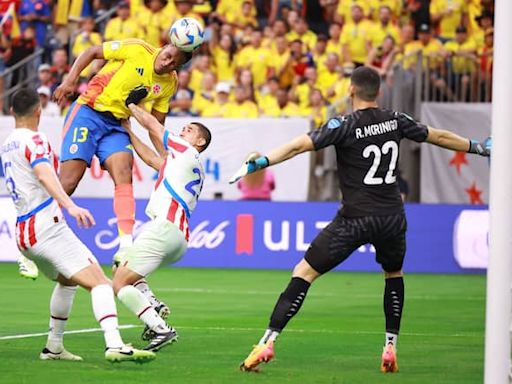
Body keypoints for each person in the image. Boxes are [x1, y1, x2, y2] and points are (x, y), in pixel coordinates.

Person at [236, 66, 491, 373]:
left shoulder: (343, 124)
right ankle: (390, 348)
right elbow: (438, 136)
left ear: (350, 90)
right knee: (394, 274)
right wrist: (477, 147)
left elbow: (297, 146)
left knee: (304, 272)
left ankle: (267, 342)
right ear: (378, 92)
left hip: (355, 218)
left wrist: (261, 161)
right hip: (392, 217)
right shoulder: (396, 119)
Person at [1, 88, 155, 363]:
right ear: (39, 111)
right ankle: (115, 344)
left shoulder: (7, 143)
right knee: (101, 284)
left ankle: (54, 347)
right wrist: (70, 205)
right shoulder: (36, 140)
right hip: (47, 226)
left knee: (67, 282)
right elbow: (45, 174)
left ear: (12, 111)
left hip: (23, 232)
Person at [52, 39, 193, 318]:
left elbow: (157, 124)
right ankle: (37, 226)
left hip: (118, 124)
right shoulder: (137, 48)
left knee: (124, 171)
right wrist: (70, 81)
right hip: (89, 111)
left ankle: (125, 243)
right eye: (168, 56)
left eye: (174, 62)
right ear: (164, 47)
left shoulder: (169, 84)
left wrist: (165, 156)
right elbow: (92, 51)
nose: (167, 62)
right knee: (68, 182)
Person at [111, 90, 211, 351]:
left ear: (199, 141)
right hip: (176, 236)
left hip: (165, 228)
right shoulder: (185, 160)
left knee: (119, 283)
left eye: (188, 129)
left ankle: (160, 328)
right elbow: (154, 159)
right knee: (120, 267)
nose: (182, 130)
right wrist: (129, 133)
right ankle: (151, 303)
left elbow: (154, 126)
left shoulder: (186, 150)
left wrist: (131, 105)